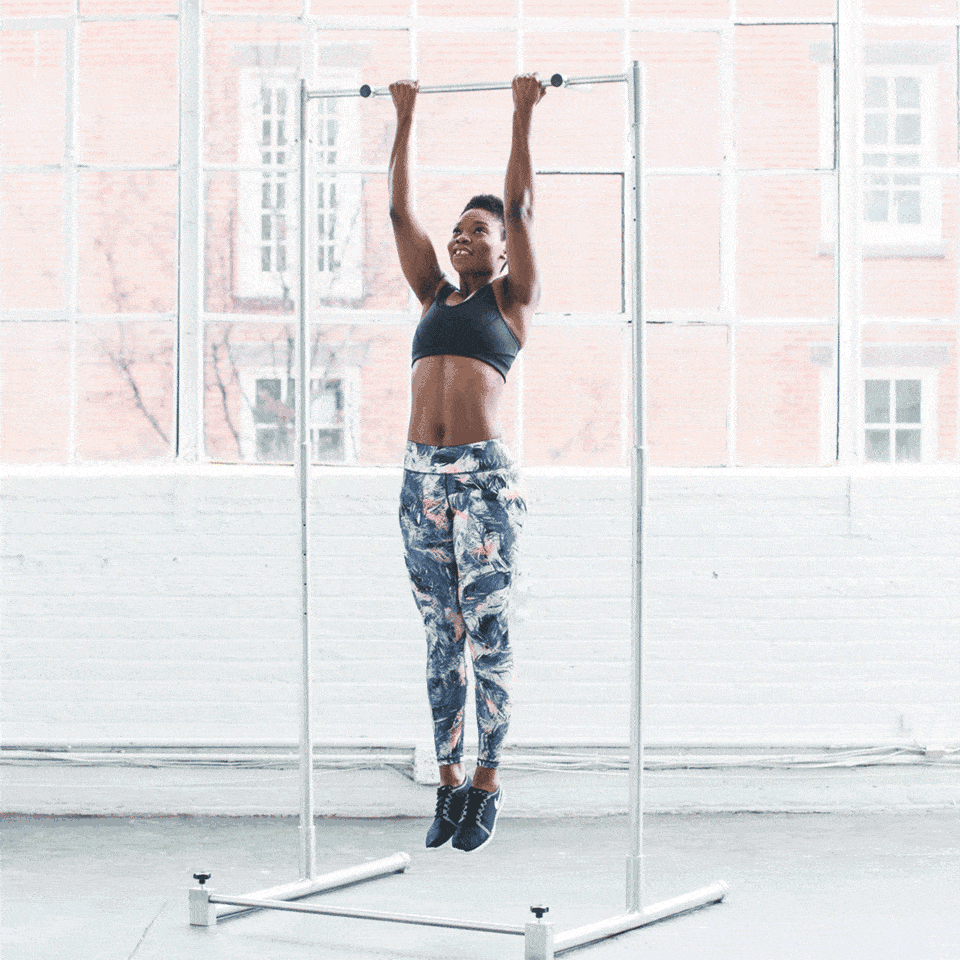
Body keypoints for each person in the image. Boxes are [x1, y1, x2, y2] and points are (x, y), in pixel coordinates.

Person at [389, 74, 546, 852]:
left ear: (503, 246)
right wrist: (404, 117)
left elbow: (519, 205)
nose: (460, 238)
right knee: (439, 634)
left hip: (482, 483)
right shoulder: (432, 297)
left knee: (488, 631)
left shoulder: (511, 301)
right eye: (456, 230)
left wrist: (521, 114)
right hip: (420, 479)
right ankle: (448, 782)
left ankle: (487, 781)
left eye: (476, 230)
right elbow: (399, 215)